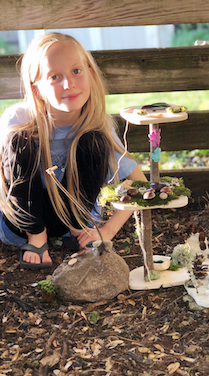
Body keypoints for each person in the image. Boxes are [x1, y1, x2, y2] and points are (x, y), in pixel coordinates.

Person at [0, 32, 146, 269]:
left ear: (89, 71)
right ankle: (38, 238)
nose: (69, 84)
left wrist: (108, 230)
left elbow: (139, 183)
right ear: (36, 88)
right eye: (55, 76)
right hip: (25, 223)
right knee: (18, 139)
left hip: (79, 222)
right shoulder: (19, 118)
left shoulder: (97, 124)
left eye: (76, 71)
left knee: (93, 140)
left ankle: (76, 230)